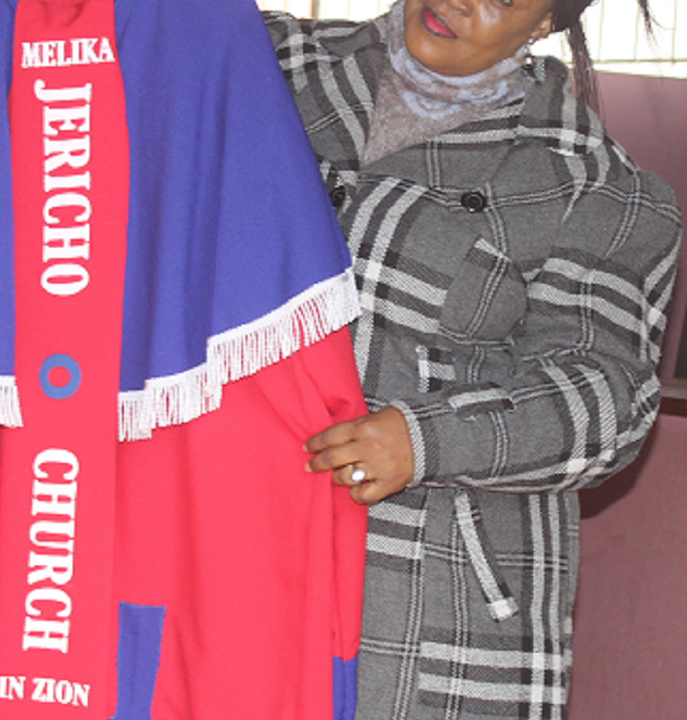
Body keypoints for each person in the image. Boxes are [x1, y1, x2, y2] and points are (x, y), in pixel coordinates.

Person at [264, 0, 682, 717]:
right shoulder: (267, 63)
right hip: (219, 520)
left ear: (546, 21)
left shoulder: (593, 183)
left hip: (424, 579)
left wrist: (426, 439)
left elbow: (606, 397)